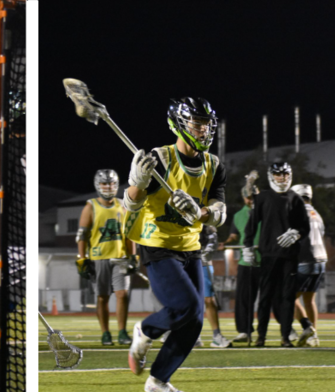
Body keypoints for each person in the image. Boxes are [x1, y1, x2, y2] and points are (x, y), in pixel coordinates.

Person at [125, 97, 227, 392]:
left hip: (190, 246)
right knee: (187, 306)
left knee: (194, 322)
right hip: (157, 243)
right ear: (179, 125)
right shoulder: (160, 159)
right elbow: (130, 205)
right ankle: (145, 330)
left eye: (207, 125)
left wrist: (200, 212)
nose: (203, 131)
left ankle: (158, 382)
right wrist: (138, 182)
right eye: (197, 124)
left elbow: (220, 214)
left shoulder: (213, 165)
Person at [243, 161, 310, 347]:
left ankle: (285, 337)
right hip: (269, 255)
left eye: (285, 174)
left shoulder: (295, 198)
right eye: (278, 174)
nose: (282, 178)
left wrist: (297, 233)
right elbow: (252, 223)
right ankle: (261, 337)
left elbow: (305, 227)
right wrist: (247, 246)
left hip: (289, 256)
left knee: (287, 298)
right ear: (271, 176)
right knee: (265, 297)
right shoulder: (263, 197)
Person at [75, 169, 135, 346]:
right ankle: (105, 333)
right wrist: (82, 258)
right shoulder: (90, 206)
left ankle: (122, 332)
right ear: (97, 185)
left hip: (120, 257)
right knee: (102, 297)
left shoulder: (123, 205)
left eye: (111, 183)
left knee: (122, 294)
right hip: (98, 258)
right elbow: (82, 235)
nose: (108, 187)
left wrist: (133, 257)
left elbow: (129, 234)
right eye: (104, 184)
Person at [220, 183, 261, 344]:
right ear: (244, 198)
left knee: (272, 298)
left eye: (254, 197)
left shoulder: (266, 213)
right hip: (246, 261)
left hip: (266, 261)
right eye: (248, 198)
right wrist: (225, 242)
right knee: (243, 298)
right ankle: (244, 330)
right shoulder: (238, 216)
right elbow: (234, 236)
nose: (251, 200)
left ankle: (286, 330)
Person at [290, 184, 325, 347]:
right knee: (309, 300)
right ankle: (313, 336)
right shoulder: (316, 213)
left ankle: (307, 328)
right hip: (321, 259)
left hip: (305, 259)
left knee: (288, 297)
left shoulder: (298, 213)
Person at [200, 225, 232, 348]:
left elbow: (212, 235)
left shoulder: (202, 215)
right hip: (184, 261)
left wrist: (208, 249)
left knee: (209, 300)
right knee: (187, 300)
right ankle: (192, 336)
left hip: (203, 262)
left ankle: (217, 336)